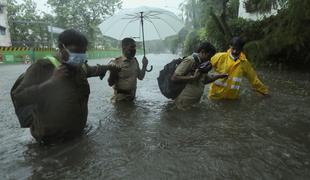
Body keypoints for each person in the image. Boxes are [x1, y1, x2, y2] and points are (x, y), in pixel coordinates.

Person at [11, 29, 119, 144]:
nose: (80, 56)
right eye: (76, 51)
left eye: (83, 52)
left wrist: (109, 67)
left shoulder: (80, 67)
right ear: (62, 48)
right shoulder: (42, 67)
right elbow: (19, 97)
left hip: (78, 137)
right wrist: (51, 82)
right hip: (50, 144)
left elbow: (94, 70)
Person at [171, 41, 228, 110]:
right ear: (202, 52)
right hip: (183, 103)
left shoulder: (202, 64)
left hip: (193, 103)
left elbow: (204, 80)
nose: (209, 59)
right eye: (209, 56)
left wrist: (219, 76)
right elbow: (174, 77)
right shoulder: (190, 60)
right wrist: (193, 77)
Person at [107, 38, 148, 103]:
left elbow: (140, 77)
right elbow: (110, 83)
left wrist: (144, 66)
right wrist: (113, 73)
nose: (134, 49)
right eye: (131, 47)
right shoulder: (115, 62)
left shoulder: (135, 61)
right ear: (124, 48)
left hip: (132, 99)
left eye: (135, 47)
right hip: (120, 101)